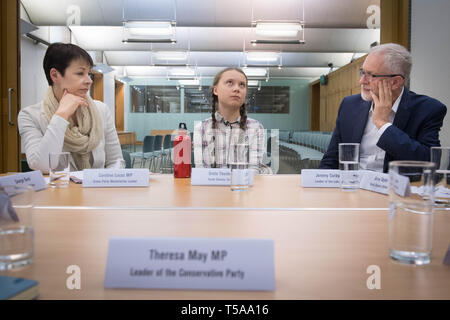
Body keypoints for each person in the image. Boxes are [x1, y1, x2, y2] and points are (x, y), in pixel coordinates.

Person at [319, 43, 447, 173]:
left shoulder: (428, 109)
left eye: (371, 75)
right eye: (362, 72)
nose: (362, 81)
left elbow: (429, 163)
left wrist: (383, 124)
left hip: (395, 190)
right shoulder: (349, 105)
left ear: (395, 82)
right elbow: (331, 159)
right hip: (353, 187)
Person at [18, 43, 124, 173]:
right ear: (55, 75)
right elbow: (43, 166)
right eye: (80, 73)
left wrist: (103, 182)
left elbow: (116, 161)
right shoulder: (30, 115)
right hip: (58, 192)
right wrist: (61, 115)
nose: (89, 81)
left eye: (89, 74)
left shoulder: (101, 110)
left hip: (98, 191)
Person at [193, 67, 271, 174]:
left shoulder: (256, 128)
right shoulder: (201, 128)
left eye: (242, 85)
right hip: (211, 190)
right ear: (215, 90)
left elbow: (254, 171)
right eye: (230, 83)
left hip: (244, 189)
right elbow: (201, 171)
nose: (237, 89)